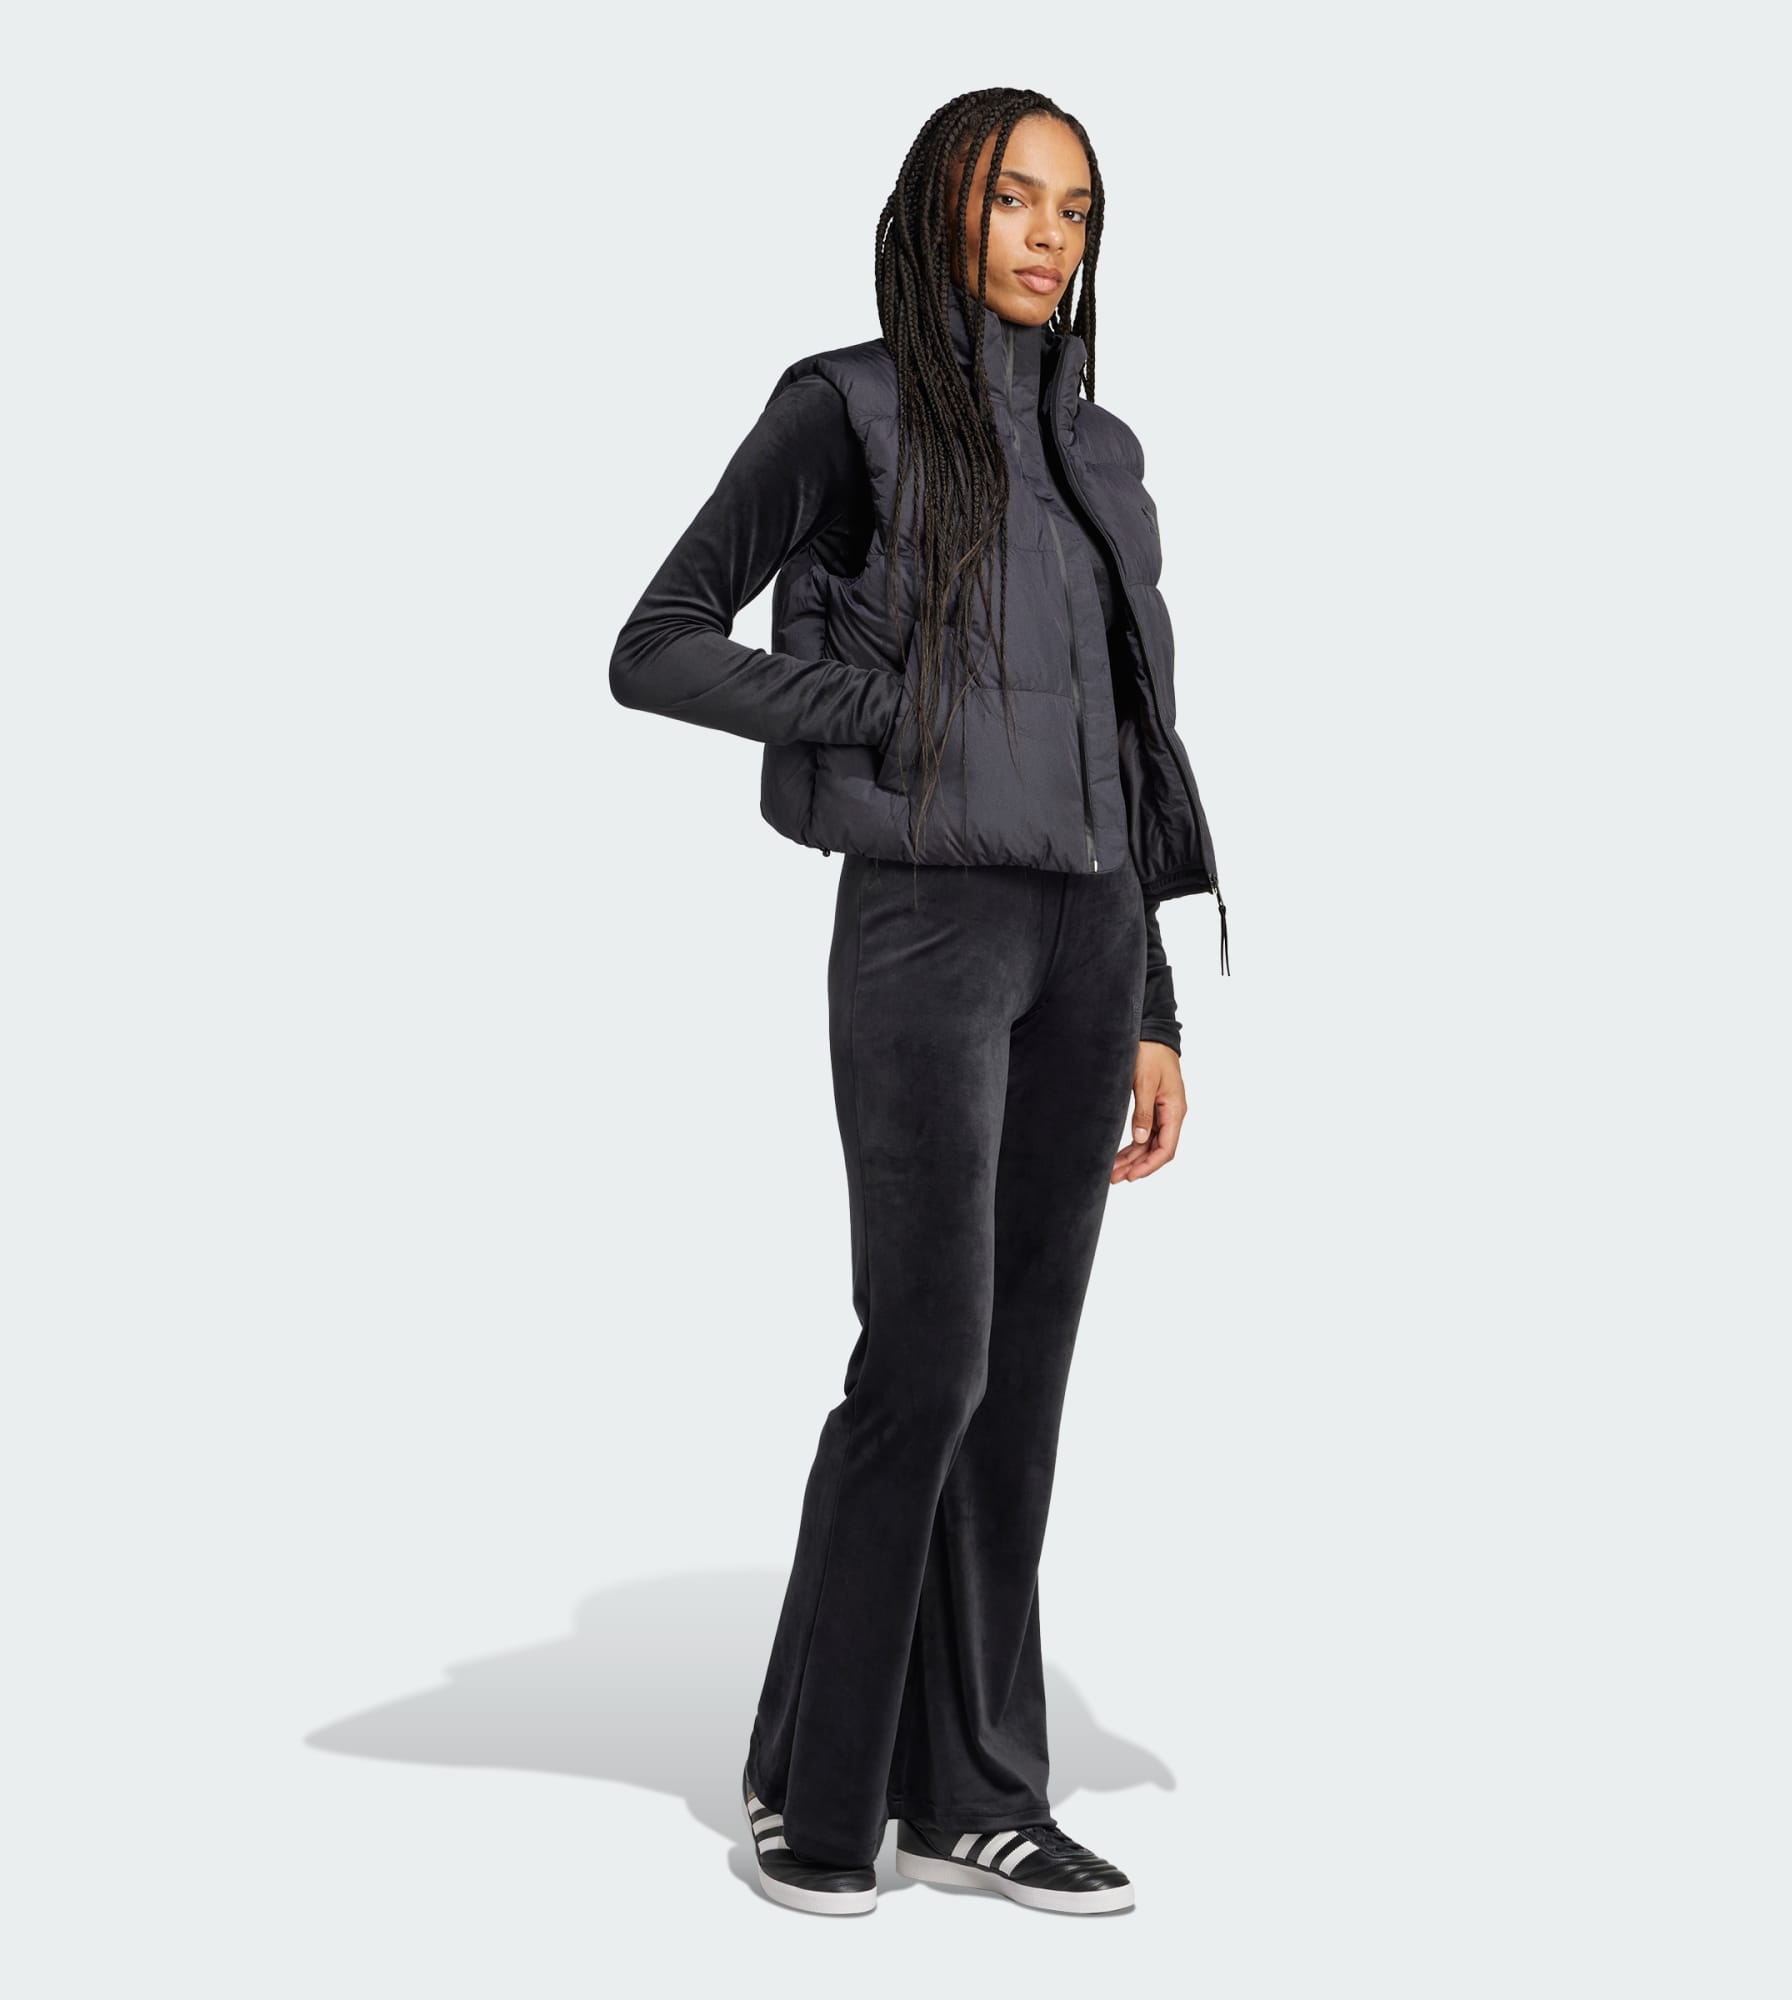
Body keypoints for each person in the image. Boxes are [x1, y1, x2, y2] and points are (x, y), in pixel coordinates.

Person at [608, 86, 1227, 1917]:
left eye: (1076, 210)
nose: (1047, 236)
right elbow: (657, 641)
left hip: (1087, 939)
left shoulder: (1103, 448)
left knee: (1019, 1385)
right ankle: (817, 1789)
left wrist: (1157, 1004)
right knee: (928, 1361)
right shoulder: (847, 407)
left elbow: (1130, 738)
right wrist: (885, 714)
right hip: (928, 932)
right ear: (940, 213)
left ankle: (975, 1791)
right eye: (1014, 199)